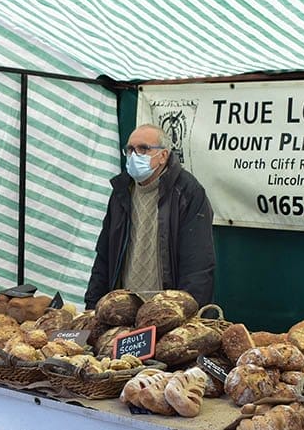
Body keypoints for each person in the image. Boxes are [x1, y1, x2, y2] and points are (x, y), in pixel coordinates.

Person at [85, 124, 215, 309]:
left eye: (143, 149)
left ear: (163, 156)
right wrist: (92, 307)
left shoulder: (188, 192)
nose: (134, 155)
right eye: (130, 149)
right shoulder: (121, 192)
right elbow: (104, 255)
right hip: (122, 310)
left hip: (166, 311)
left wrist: (185, 312)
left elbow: (198, 263)